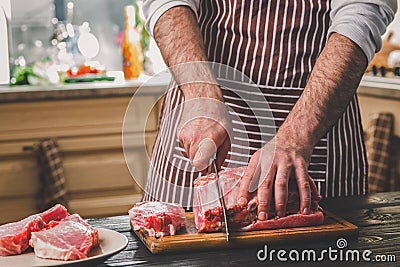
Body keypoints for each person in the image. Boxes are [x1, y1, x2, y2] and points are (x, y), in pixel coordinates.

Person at [141, 0, 397, 220]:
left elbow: (362, 12)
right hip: (200, 112)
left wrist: (298, 135)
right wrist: (202, 94)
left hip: (317, 125)